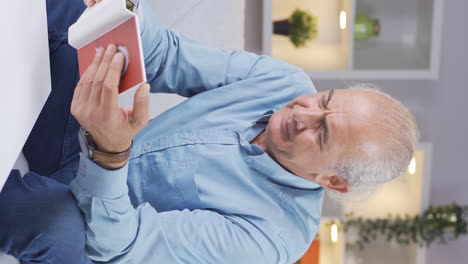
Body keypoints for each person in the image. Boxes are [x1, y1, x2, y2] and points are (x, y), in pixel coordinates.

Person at [0, 0, 418, 264]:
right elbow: (165, 57)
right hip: (84, 141)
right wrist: (122, 9)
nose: (303, 112)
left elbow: (120, 248)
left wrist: (110, 151)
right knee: (81, 15)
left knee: (58, 224)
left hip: (96, 235)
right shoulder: (285, 82)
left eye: (322, 133)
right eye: (324, 101)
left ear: (334, 181)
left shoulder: (272, 238)